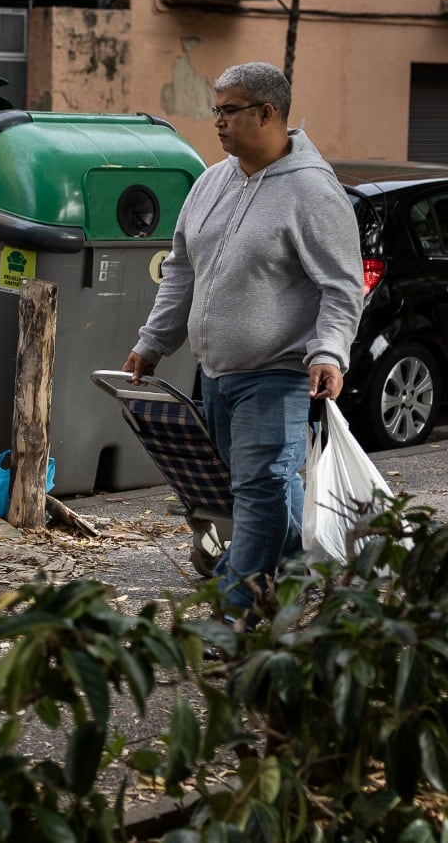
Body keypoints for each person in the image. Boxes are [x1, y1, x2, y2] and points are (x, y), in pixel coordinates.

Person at [123, 62, 363, 624]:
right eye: (217, 110)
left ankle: (235, 614)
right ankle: (308, 573)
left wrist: (329, 351)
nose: (218, 122)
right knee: (262, 490)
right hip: (216, 372)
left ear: (267, 113)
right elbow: (181, 269)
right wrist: (153, 341)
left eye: (229, 110)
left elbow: (341, 285)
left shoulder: (312, 190)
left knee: (257, 490)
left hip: (277, 373)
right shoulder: (212, 182)